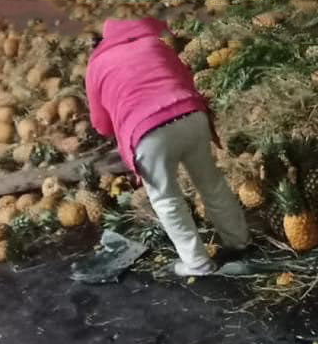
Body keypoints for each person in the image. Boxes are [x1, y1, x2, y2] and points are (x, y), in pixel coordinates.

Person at [85, 17, 249, 276]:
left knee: (166, 198)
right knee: (211, 182)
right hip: (191, 116)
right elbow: (186, 78)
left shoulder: (96, 66)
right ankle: (239, 241)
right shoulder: (155, 44)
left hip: (148, 132)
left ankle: (197, 263)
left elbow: (101, 124)